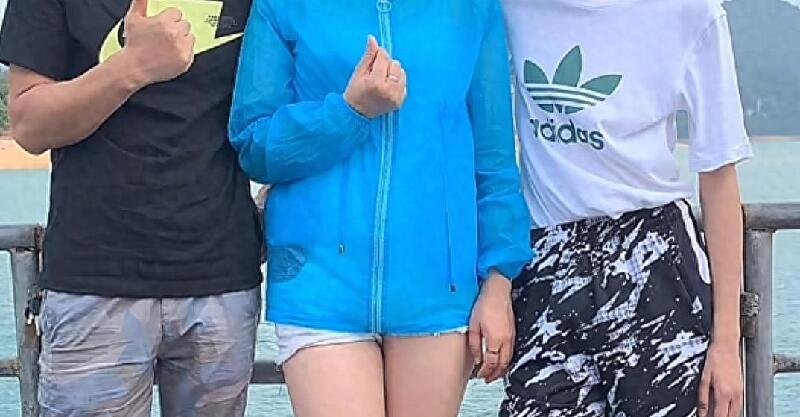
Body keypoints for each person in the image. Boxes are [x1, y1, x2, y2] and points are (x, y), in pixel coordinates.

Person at [228, 0, 532, 416]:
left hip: (438, 285)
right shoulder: (283, 5)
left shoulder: (473, 8)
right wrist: (349, 112)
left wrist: (499, 281)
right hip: (320, 283)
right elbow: (254, 145)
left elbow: (494, 161)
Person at [0, 0, 263, 415]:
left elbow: (280, 106)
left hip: (223, 280)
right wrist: (132, 66)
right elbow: (30, 125)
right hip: (93, 282)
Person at [500, 0, 752, 416]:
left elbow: (719, 178)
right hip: (547, 261)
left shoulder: (690, 11)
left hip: (655, 262)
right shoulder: (512, 8)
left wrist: (726, 343)